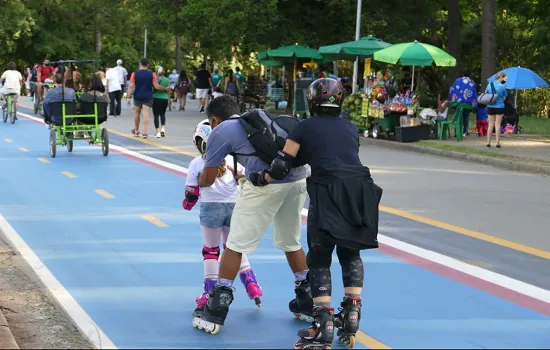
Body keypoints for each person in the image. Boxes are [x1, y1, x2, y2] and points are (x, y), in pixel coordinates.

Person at [252, 78, 382, 349]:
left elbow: (281, 165)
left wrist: (261, 177)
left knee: (320, 255)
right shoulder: (350, 127)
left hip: (328, 189)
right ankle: (352, 312)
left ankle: (324, 322)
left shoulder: (304, 126)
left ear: (312, 101)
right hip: (360, 189)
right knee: (350, 251)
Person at [193, 96, 313, 335]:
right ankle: (307, 299)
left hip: (266, 184)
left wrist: (196, 182)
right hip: (299, 179)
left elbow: (207, 178)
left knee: (235, 245)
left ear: (214, 119)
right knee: (291, 241)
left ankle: (216, 308)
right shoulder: (260, 119)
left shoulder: (220, 131)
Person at [185, 119, 263, 322]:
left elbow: (192, 191)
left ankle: (210, 293)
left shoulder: (197, 163)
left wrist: (188, 203)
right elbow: (245, 178)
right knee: (233, 249)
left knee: (211, 251)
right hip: (234, 207)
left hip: (211, 208)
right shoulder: (231, 159)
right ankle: (252, 285)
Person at [125, 58, 170, 139]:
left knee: (137, 113)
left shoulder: (134, 74)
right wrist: (165, 88)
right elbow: (156, 86)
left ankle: (136, 131)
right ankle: (145, 132)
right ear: (147, 65)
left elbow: (131, 86)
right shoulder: (152, 74)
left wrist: (128, 97)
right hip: (148, 96)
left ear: (140, 64)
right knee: (146, 114)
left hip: (137, 95)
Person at [448, 69, 478, 137]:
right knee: (466, 116)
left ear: (462, 74)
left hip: (458, 102)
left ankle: (457, 131)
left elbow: (452, 89)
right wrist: (474, 103)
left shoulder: (457, 80)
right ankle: (465, 131)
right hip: (467, 103)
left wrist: (451, 97)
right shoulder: (472, 82)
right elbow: (474, 93)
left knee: (458, 115)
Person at [486, 72, 508, 148]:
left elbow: (486, 94)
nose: (505, 79)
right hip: (500, 107)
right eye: (504, 78)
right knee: (497, 125)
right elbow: (504, 98)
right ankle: (497, 143)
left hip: (490, 106)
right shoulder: (503, 86)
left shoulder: (489, 85)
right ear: (501, 77)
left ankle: (488, 143)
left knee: (490, 124)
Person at [152, 67, 170, 138]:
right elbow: (169, 90)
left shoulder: (154, 79)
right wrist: (168, 99)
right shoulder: (167, 80)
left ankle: (157, 132)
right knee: (162, 114)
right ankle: (163, 128)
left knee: (156, 115)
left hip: (156, 98)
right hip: (165, 98)